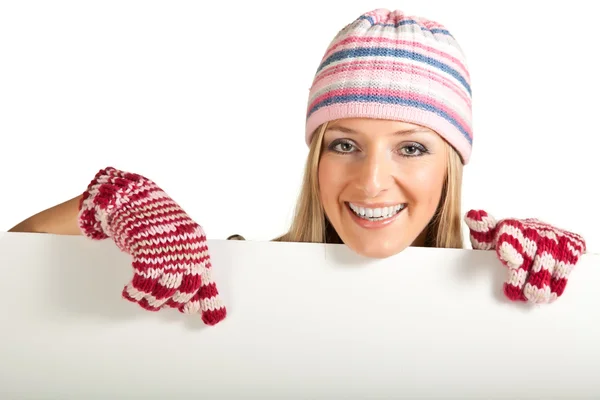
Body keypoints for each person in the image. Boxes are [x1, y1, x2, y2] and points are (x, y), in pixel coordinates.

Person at [8, 8, 587, 326]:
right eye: (343, 145)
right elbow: (15, 276)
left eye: (411, 148)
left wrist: (572, 301)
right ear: (316, 157)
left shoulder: (502, 286)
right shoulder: (222, 279)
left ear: (451, 166)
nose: (371, 181)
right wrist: (110, 209)